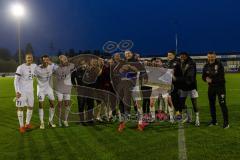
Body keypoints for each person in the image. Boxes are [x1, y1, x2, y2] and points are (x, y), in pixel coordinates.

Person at [202, 51, 229, 129]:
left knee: (222, 104)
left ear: (215, 57)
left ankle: (226, 123)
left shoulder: (219, 65)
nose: (210, 58)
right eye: (209, 57)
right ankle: (214, 121)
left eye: (212, 57)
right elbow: (203, 76)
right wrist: (205, 79)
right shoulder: (206, 65)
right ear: (207, 57)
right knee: (211, 104)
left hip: (220, 88)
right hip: (211, 88)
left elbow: (221, 77)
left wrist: (212, 80)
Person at [14, 53, 36, 133]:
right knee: (20, 108)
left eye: (31, 58)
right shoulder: (20, 67)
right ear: (25, 58)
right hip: (22, 91)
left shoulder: (34, 66)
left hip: (30, 91)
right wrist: (17, 91)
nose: (29, 59)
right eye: (28, 58)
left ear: (32, 59)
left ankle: (27, 124)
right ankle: (21, 126)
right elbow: (16, 80)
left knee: (30, 107)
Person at [176, 52, 200, 126]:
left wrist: (177, 79)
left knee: (194, 103)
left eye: (183, 56)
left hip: (191, 86)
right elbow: (178, 73)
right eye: (181, 56)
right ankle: (187, 117)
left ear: (186, 56)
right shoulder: (179, 63)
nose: (181, 58)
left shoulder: (191, 63)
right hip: (183, 86)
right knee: (181, 103)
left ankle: (197, 119)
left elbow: (190, 76)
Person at [35, 55, 56, 129]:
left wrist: (52, 63)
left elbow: (59, 69)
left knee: (52, 104)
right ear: (42, 61)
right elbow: (31, 76)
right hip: (41, 89)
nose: (46, 61)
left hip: (49, 88)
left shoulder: (51, 66)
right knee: (41, 105)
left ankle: (50, 121)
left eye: (47, 60)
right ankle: (42, 123)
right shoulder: (37, 68)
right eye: (44, 60)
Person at [53, 55, 75, 127]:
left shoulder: (70, 66)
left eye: (65, 59)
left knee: (67, 104)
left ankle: (65, 120)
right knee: (59, 104)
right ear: (60, 61)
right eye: (63, 60)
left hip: (67, 89)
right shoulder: (56, 68)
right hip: (59, 89)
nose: (65, 61)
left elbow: (75, 64)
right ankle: (59, 120)